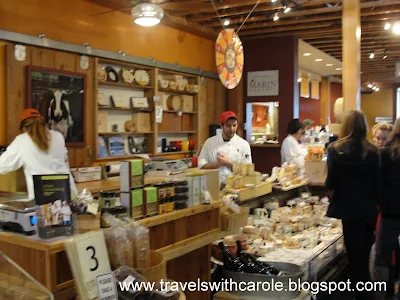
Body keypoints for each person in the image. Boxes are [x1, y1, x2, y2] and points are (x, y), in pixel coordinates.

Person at [325, 110, 380, 300]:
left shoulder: (334, 149)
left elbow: (330, 182)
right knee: (364, 258)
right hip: (368, 210)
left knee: (354, 258)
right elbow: (377, 184)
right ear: (364, 127)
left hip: (348, 211)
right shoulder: (373, 151)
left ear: (345, 126)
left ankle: (360, 296)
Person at [0, 109, 78, 199]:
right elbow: (64, 160)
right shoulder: (58, 136)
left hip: (42, 202)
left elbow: (2, 166)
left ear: (24, 128)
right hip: (66, 195)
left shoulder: (22, 140)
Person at [375, 118, 400, 300]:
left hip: (390, 211)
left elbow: (376, 184)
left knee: (383, 256)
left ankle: (382, 295)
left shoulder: (384, 154)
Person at [198, 111, 252, 185]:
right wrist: (217, 164)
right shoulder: (209, 143)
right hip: (213, 185)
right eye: (228, 125)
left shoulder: (244, 144)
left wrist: (227, 163)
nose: (232, 129)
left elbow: (247, 171)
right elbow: (201, 165)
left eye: (234, 125)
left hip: (236, 186)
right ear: (221, 126)